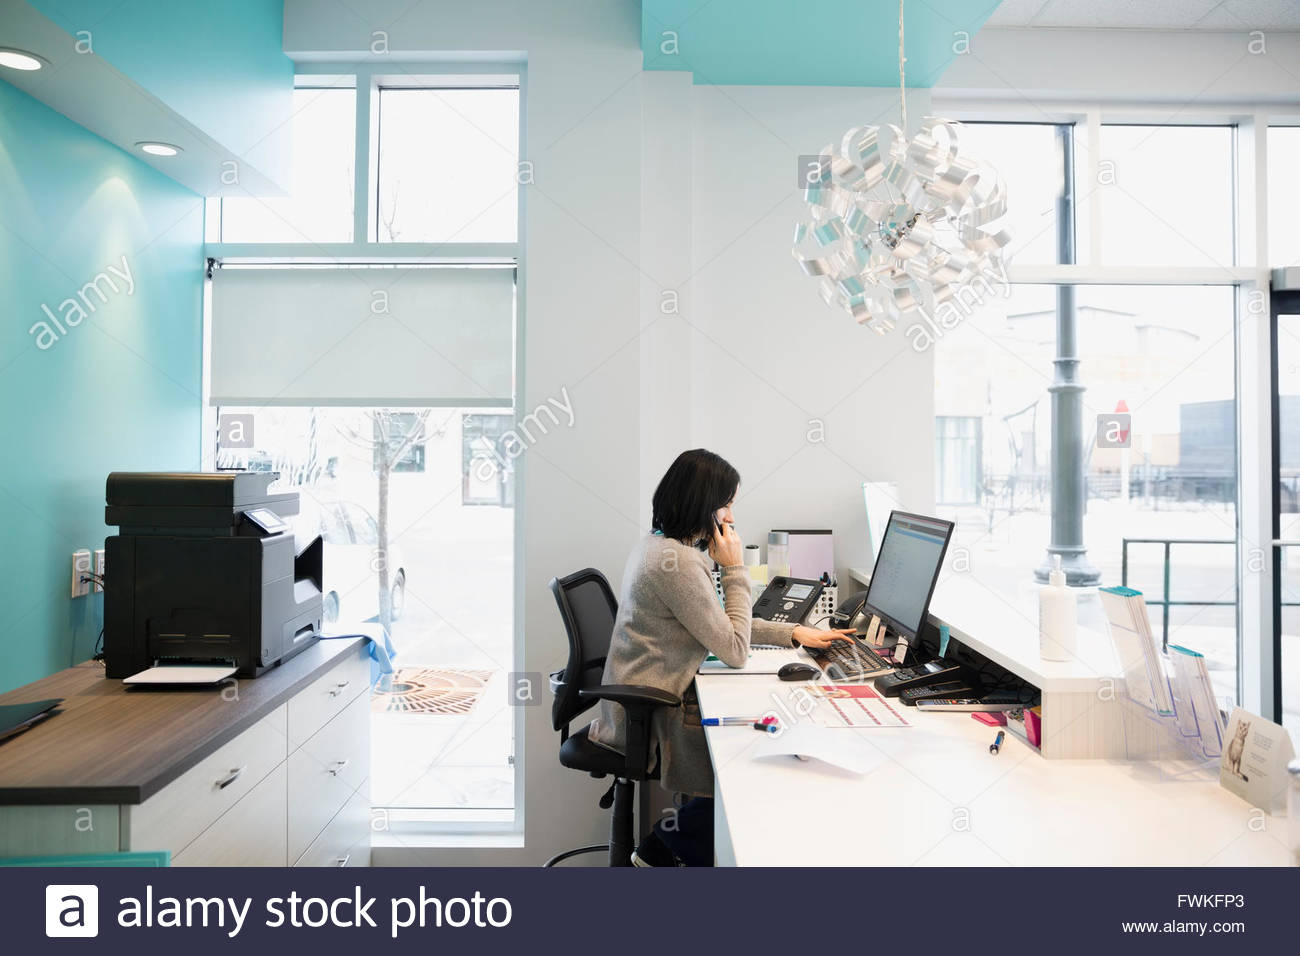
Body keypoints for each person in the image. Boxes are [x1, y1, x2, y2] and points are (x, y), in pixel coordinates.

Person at [587, 448, 851, 866]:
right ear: (703, 505)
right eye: (727, 504)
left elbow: (714, 625)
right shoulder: (678, 564)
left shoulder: (660, 547)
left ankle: (667, 848)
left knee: (770, 744)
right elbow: (734, 649)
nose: (730, 517)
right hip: (652, 712)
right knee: (758, 762)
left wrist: (793, 632)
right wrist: (734, 568)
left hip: (647, 699)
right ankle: (661, 849)